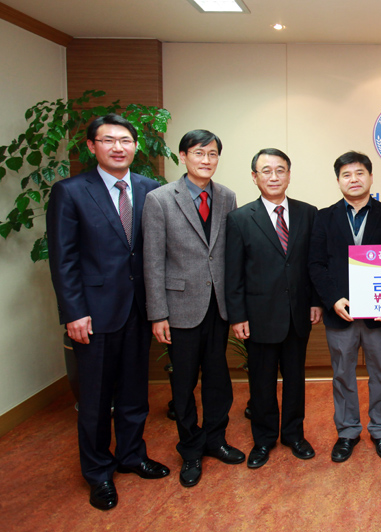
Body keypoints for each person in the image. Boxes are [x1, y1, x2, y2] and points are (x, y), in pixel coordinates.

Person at [46, 114, 168, 510]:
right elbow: (63, 259)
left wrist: (158, 308)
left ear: (136, 146)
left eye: (125, 140)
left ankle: (131, 455)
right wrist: (73, 312)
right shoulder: (70, 191)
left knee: (135, 391)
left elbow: (153, 253)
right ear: (91, 146)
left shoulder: (150, 189)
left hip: (139, 309)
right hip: (93, 314)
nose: (118, 147)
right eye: (108, 140)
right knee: (96, 399)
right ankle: (98, 472)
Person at [143, 130, 244, 488]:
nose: (206, 160)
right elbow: (152, 260)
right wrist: (158, 314)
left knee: (218, 380)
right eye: (199, 153)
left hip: (218, 306)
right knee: (183, 384)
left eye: (213, 154)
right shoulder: (159, 199)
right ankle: (190, 449)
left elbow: (230, 254)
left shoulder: (227, 196)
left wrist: (237, 306)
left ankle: (216, 439)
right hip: (179, 306)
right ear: (183, 156)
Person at [225, 148, 322, 468]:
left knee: (295, 379)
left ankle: (294, 435)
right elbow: (233, 272)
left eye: (280, 170)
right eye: (266, 171)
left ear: (289, 175)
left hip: (298, 314)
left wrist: (315, 301)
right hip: (259, 316)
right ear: (254, 177)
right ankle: (264, 439)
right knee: (262, 382)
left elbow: (313, 264)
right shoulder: (240, 219)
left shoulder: (309, 213)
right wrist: (238, 315)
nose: (274, 177)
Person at [308, 151, 381, 462]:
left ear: (371, 177)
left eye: (360, 173)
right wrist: (332, 299)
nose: (354, 179)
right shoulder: (324, 217)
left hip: (380, 313)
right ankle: (347, 431)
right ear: (338, 181)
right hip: (340, 312)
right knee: (342, 374)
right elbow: (316, 264)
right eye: (346, 175)